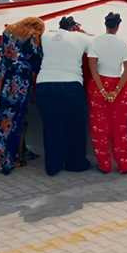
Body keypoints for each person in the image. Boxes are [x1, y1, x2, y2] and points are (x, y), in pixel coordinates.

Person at [0, 17, 45, 175]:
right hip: (17, 82)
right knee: (12, 121)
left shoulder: (7, 31)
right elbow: (37, 60)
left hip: (0, 78)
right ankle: (8, 160)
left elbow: (3, 52)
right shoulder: (33, 37)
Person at [34, 16, 94, 176]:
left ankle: (53, 166)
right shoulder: (81, 37)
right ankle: (76, 163)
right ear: (73, 27)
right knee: (75, 126)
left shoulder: (46, 36)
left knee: (51, 127)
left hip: (44, 84)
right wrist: (83, 32)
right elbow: (96, 46)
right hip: (70, 85)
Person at [87, 12, 127, 174]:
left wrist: (102, 89)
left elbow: (93, 68)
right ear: (118, 26)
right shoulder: (125, 43)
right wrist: (116, 91)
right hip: (120, 87)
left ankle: (104, 165)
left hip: (99, 85)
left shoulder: (96, 42)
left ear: (105, 25)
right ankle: (124, 165)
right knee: (119, 128)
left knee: (100, 128)